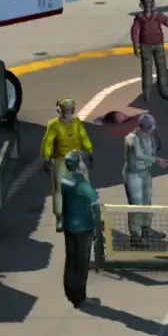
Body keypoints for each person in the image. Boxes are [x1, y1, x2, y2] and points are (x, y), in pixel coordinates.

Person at [40, 99, 93, 232]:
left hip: (75, 159)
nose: (68, 113)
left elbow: (83, 137)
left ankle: (88, 213)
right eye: (67, 110)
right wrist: (46, 157)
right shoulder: (54, 125)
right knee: (61, 189)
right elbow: (48, 142)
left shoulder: (75, 123)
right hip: (62, 160)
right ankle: (61, 218)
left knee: (82, 186)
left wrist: (89, 150)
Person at [60, 151, 101, 309]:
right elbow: (94, 199)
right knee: (81, 264)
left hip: (69, 225)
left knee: (70, 261)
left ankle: (70, 292)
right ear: (78, 165)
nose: (84, 163)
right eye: (82, 161)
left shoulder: (66, 179)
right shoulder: (82, 183)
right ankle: (79, 298)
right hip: (83, 227)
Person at [122, 113, 168, 247]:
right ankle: (135, 236)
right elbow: (138, 154)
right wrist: (156, 160)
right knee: (136, 204)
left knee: (147, 202)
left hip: (145, 173)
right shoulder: (131, 138)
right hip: (133, 175)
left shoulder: (149, 137)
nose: (151, 130)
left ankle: (146, 229)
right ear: (143, 126)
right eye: (149, 127)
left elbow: (151, 150)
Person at [130, 0, 168, 102]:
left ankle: (163, 91)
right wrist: (135, 45)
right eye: (147, 3)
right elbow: (135, 30)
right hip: (145, 46)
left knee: (161, 69)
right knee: (147, 70)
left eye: (150, 2)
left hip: (158, 45)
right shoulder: (140, 17)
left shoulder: (157, 15)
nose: (148, 5)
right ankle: (147, 92)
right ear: (141, 5)